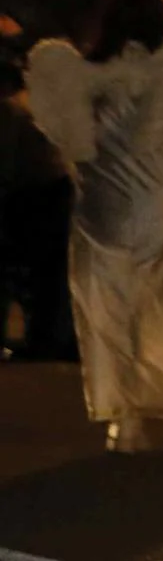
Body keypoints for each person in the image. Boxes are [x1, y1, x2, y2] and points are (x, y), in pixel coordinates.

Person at [24, 0, 163, 450]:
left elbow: (72, 144)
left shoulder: (85, 75)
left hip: (105, 206)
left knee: (111, 306)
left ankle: (126, 419)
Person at [0, 49, 75, 361]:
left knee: (30, 270)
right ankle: (47, 338)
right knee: (46, 276)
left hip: (37, 198)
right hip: (50, 193)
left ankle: (45, 340)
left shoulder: (9, 111)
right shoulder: (28, 106)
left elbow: (5, 167)